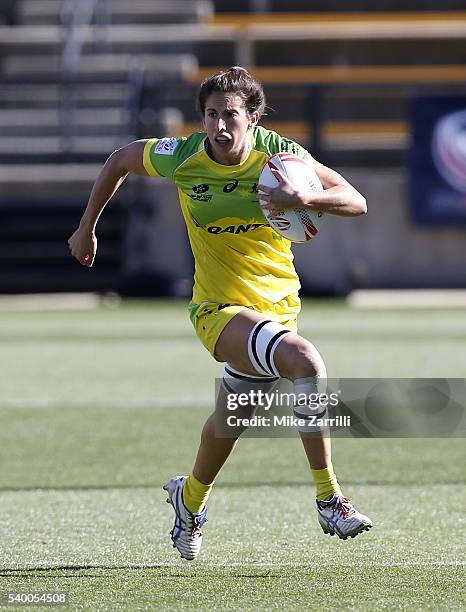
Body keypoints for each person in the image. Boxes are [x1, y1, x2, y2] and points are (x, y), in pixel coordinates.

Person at [69, 66, 372, 561]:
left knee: (229, 422)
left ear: (253, 118)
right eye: (211, 115)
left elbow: (355, 200)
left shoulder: (282, 155)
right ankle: (329, 499)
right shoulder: (185, 157)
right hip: (217, 308)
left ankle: (188, 501)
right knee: (306, 362)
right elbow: (120, 160)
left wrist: (307, 197)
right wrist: (87, 228)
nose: (219, 126)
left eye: (230, 114)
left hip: (276, 306)